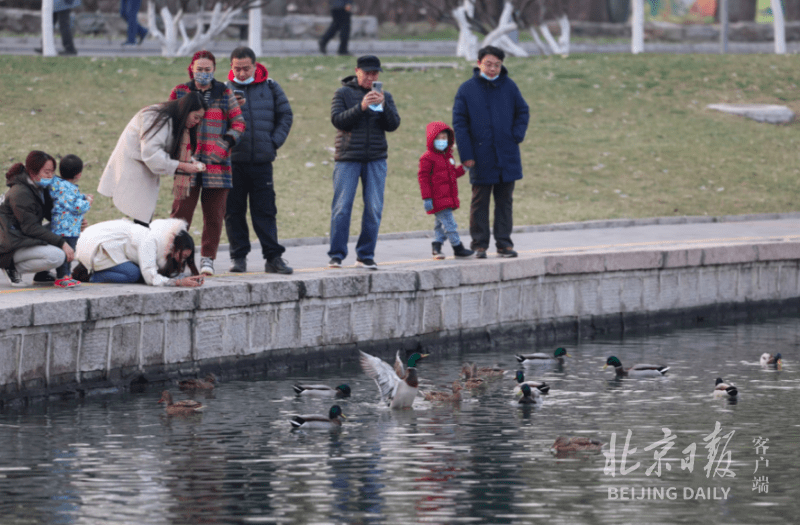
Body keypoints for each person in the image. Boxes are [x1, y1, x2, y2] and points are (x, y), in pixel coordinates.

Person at [169, 50, 246, 277]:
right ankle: (175, 258)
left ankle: (207, 259)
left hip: (217, 164)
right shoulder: (180, 91)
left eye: (207, 70)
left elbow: (238, 123)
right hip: (186, 163)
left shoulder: (225, 92)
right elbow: (170, 120)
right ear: (192, 69)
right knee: (180, 215)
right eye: (199, 69)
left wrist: (222, 146)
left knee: (214, 215)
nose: (203, 73)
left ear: (214, 70)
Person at [452, 45, 529, 259]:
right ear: (479, 64)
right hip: (480, 156)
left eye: (497, 65)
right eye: (488, 64)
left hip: (507, 154)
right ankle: (479, 244)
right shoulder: (466, 89)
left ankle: (504, 244)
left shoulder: (510, 87)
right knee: (480, 202)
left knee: (505, 201)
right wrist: (466, 156)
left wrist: (516, 135)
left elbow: (523, 111)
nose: (493, 69)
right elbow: (460, 124)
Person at [225, 46, 294, 275]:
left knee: (265, 211)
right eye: (237, 68)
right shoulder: (224, 90)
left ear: (255, 66)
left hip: (262, 161)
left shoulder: (271, 87)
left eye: (246, 68)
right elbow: (213, 121)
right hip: (233, 161)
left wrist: (273, 142)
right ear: (231, 67)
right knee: (233, 212)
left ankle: (273, 258)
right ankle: (238, 257)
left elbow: (286, 115)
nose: (242, 73)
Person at [327, 55, 400, 270]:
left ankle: (366, 255)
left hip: (376, 158)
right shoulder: (342, 93)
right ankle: (336, 255)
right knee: (342, 208)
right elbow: (337, 120)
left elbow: (393, 125)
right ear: (357, 71)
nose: (371, 77)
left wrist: (384, 105)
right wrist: (361, 106)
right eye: (367, 73)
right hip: (348, 158)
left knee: (374, 208)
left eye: (375, 73)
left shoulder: (384, 95)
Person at [98, 93, 207, 225]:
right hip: (134, 167)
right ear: (186, 111)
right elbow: (152, 154)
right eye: (196, 117)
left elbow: (170, 149)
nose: (197, 122)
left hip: (144, 169)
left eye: (200, 119)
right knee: (140, 220)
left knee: (142, 218)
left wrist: (190, 161)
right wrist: (184, 166)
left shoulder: (172, 119)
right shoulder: (157, 117)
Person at [0, 151, 76, 288]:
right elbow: (30, 227)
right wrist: (62, 243)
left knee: (67, 226)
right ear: (33, 172)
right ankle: (11, 267)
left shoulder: (40, 187)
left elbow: (51, 214)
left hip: (24, 238)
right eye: (47, 172)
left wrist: (72, 220)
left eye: (52, 171)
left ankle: (43, 274)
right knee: (57, 256)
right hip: (10, 245)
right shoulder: (20, 193)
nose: (50, 176)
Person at [74, 218, 203, 287]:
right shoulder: (151, 240)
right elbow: (150, 277)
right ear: (174, 247)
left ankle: (89, 270)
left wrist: (183, 278)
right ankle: (89, 276)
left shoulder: (159, 239)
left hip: (103, 243)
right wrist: (179, 283)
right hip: (97, 246)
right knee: (133, 274)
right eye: (182, 255)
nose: (182, 260)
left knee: (135, 272)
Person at [417, 121, 474, 260]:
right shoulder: (427, 158)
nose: (442, 141)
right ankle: (457, 247)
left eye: (444, 138)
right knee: (450, 224)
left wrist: (465, 168)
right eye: (439, 138)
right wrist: (427, 198)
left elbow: (452, 174)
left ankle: (436, 247)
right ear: (432, 139)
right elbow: (423, 179)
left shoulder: (448, 156)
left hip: (448, 197)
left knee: (440, 225)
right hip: (437, 199)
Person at [49, 154, 91, 285]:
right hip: (68, 229)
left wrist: (82, 196)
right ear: (78, 175)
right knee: (68, 253)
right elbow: (77, 207)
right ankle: (62, 276)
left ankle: (65, 275)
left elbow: (68, 200)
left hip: (59, 226)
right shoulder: (71, 189)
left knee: (65, 253)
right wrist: (88, 201)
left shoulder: (57, 185)